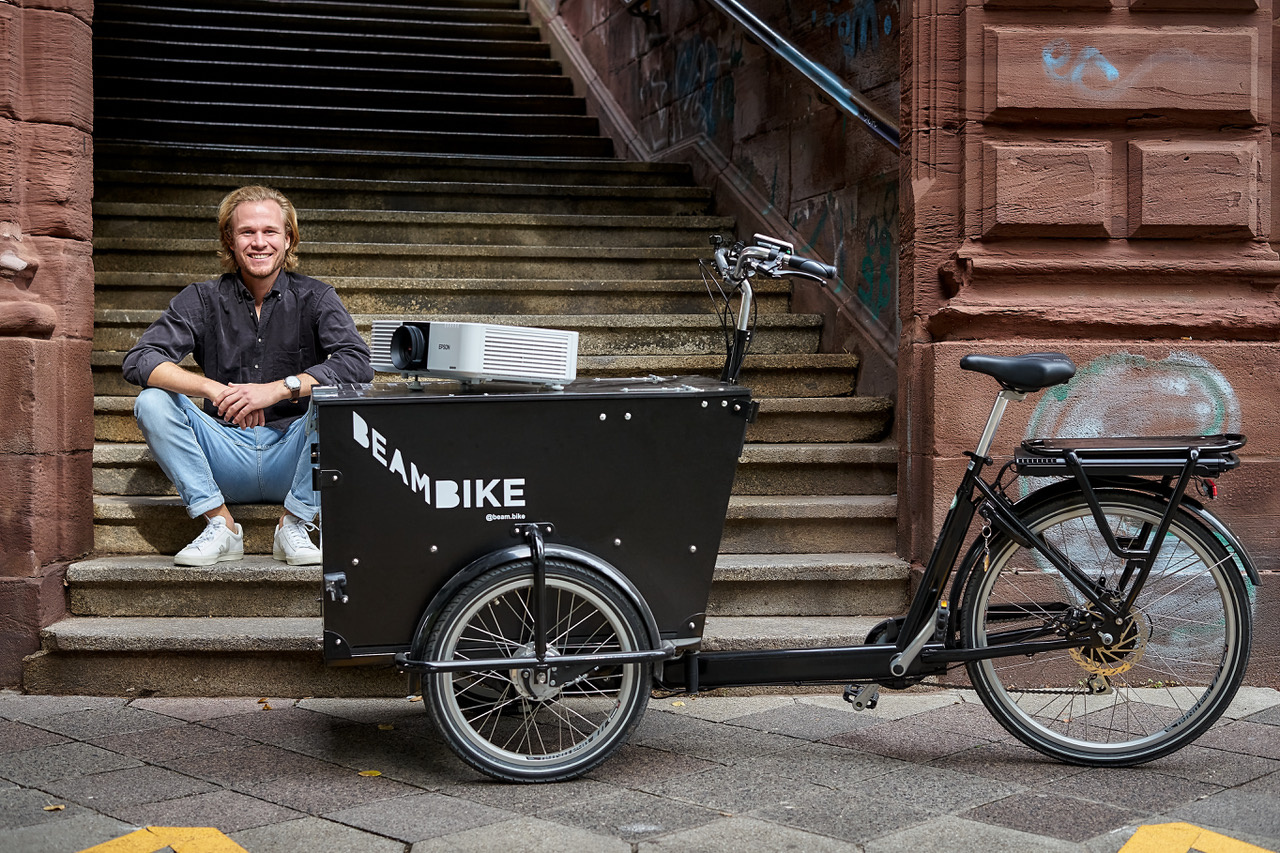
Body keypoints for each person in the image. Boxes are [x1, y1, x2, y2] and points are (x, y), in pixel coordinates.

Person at [122, 186, 373, 567]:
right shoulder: (202, 299)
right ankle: (221, 526)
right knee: (151, 401)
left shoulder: (316, 297)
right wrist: (215, 390)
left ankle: (295, 523)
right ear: (230, 239)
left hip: (295, 455)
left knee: (341, 399)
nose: (259, 243)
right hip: (225, 453)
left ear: (288, 239)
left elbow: (358, 363)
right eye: (247, 232)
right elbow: (140, 359)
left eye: (270, 232)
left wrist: (277, 390)